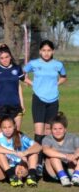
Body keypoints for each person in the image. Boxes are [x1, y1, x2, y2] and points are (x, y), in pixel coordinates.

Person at [24, 39, 67, 172]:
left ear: (52, 51)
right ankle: (37, 162)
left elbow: (64, 77)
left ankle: (47, 160)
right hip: (38, 99)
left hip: (53, 100)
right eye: (44, 50)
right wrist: (32, 84)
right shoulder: (34, 63)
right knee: (39, 132)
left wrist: (56, 84)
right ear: (40, 51)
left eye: (49, 50)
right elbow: (22, 75)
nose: (46, 53)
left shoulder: (58, 65)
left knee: (49, 132)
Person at [0, 117, 40, 187]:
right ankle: (12, 176)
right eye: (4, 128)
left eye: (10, 127)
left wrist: (25, 153)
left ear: (14, 126)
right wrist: (14, 152)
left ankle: (31, 176)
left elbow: (38, 146)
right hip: (3, 170)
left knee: (33, 152)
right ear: (1, 128)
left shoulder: (20, 136)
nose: (7, 130)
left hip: (18, 167)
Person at [0, 44, 25, 131]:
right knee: (0, 133)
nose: (5, 60)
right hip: (1, 105)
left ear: (10, 57)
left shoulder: (17, 68)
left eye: (7, 57)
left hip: (15, 105)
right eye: (2, 58)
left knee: (16, 133)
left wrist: (22, 104)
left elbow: (19, 86)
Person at [42, 112, 79, 187]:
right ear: (51, 130)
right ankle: (63, 178)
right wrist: (66, 156)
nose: (57, 131)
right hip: (53, 170)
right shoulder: (47, 138)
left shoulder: (73, 137)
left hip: (70, 166)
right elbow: (46, 150)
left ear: (65, 129)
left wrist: (74, 156)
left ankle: (76, 176)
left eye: (60, 129)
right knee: (53, 156)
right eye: (55, 129)